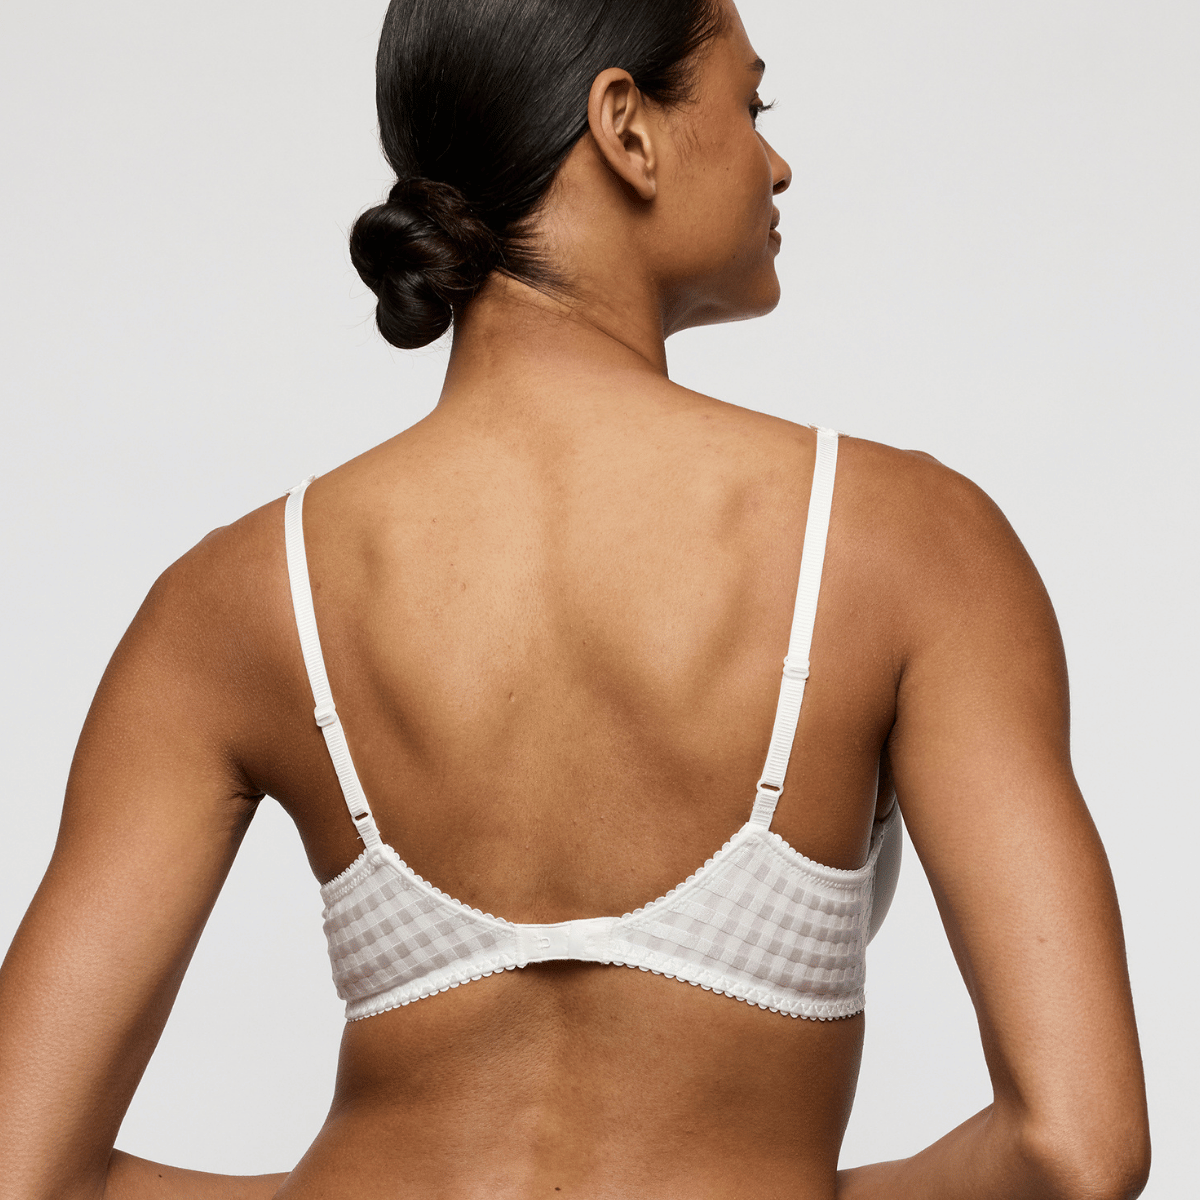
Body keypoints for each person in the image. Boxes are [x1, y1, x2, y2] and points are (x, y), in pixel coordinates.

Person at [0, 0, 1150, 1196]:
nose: (776, 163)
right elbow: (1076, 1150)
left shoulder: (237, 596)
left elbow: (21, 1171)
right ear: (625, 128)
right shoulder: (907, 544)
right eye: (751, 105)